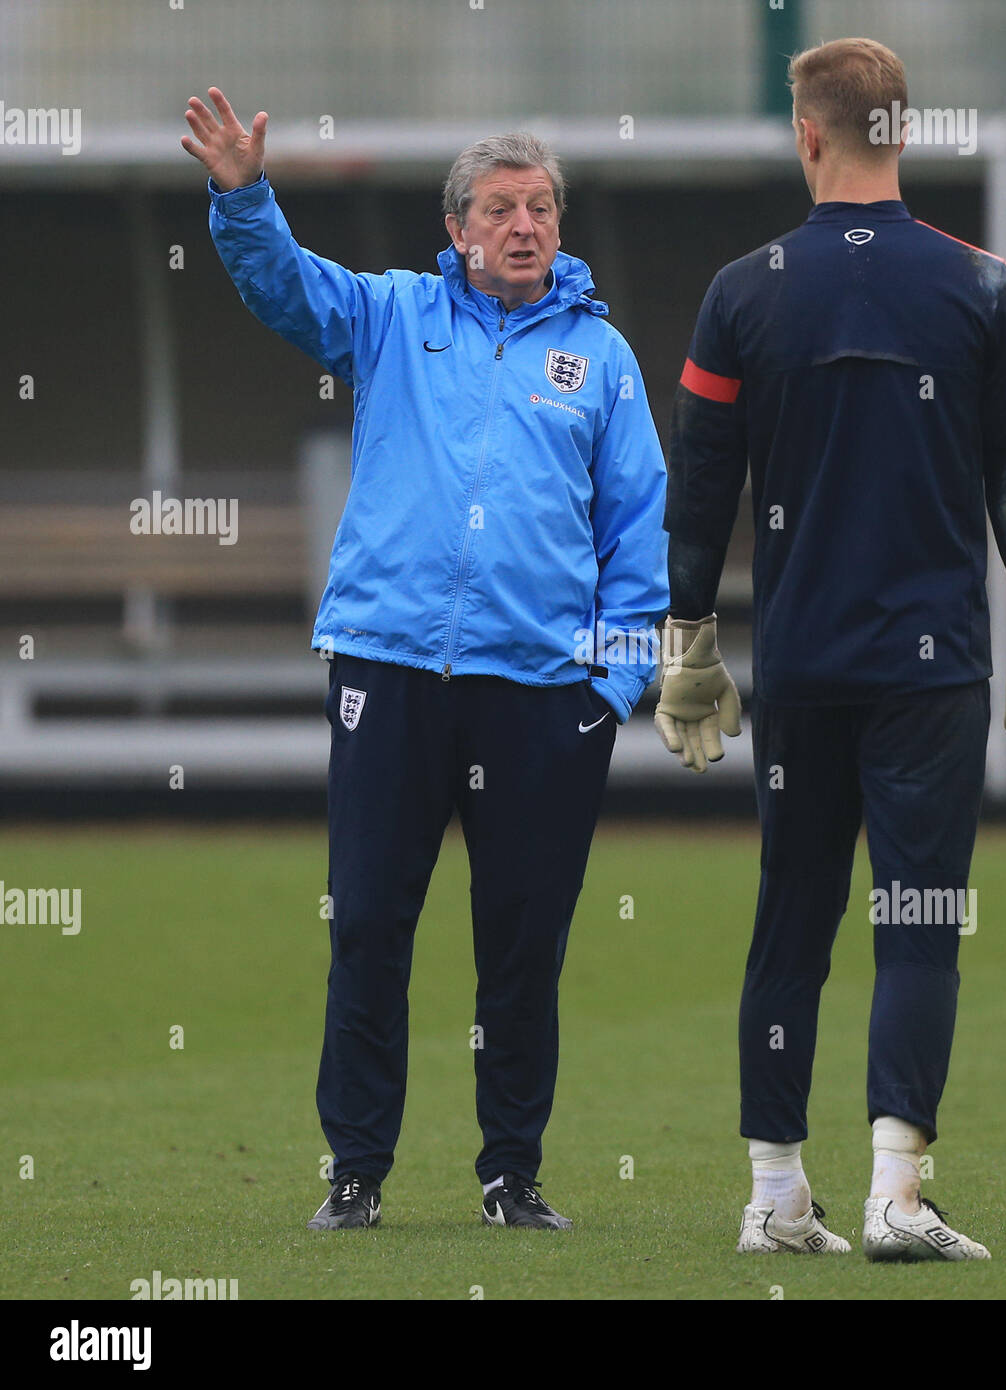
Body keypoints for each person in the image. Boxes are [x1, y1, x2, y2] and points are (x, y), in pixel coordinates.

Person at [182, 88, 668, 1232]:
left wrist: (613, 683)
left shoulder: (599, 358)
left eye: (539, 205)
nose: (523, 224)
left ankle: (513, 1176)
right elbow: (284, 287)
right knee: (366, 927)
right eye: (498, 208)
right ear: (456, 230)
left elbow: (637, 529)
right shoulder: (394, 315)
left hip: (545, 694)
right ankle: (354, 1172)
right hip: (389, 671)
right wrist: (242, 196)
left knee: (521, 945)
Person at [654, 38, 1006, 1260]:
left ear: (807, 135)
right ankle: (897, 1191)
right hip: (931, 666)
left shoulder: (743, 291)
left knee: (790, 917)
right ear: (904, 131)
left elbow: (701, 489)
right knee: (920, 918)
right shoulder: (978, 284)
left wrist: (689, 642)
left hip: (797, 666)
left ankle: (775, 1196)